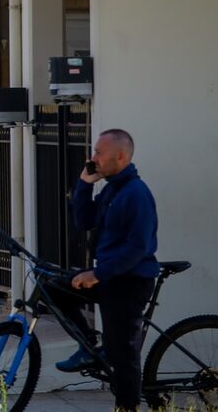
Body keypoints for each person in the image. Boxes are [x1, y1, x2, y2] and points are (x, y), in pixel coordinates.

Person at [49, 128, 159, 411]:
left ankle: (127, 407)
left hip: (131, 280)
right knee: (55, 289)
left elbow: (137, 248)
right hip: (112, 275)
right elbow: (83, 221)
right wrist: (85, 184)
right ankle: (88, 346)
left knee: (122, 352)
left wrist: (97, 274)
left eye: (99, 153)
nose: (92, 157)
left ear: (120, 156)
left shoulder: (136, 194)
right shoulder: (112, 188)